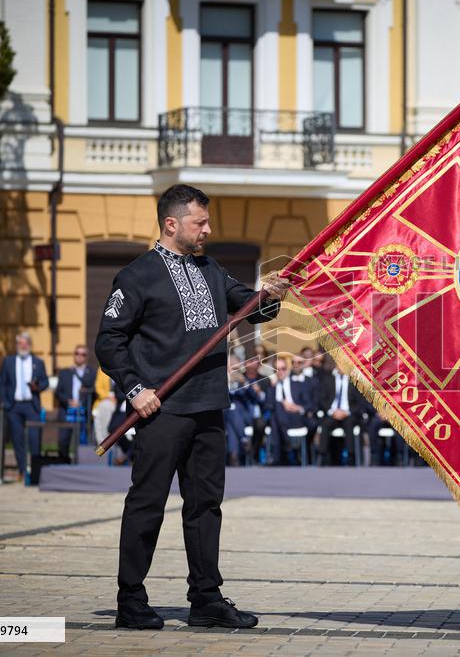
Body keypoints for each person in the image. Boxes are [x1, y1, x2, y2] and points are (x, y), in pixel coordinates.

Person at [95, 184, 290, 631]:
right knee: (147, 503)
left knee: (205, 506)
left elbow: (248, 307)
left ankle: (206, 598)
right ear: (171, 223)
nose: (207, 229)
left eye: (207, 222)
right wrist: (135, 389)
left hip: (208, 407)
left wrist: (271, 294)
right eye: (200, 222)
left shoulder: (210, 268)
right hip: (160, 410)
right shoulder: (136, 276)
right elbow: (109, 341)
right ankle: (131, 600)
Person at [0, 332, 49, 480]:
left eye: (26, 343)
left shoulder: (38, 362)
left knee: (34, 438)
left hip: (31, 405)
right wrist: (5, 403)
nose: (23, 346)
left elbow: (45, 382)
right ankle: (22, 470)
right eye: (20, 343)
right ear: (16, 345)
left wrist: (37, 387)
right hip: (14, 406)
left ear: (30, 345)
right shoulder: (8, 361)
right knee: (17, 439)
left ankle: (34, 472)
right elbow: (3, 384)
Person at [266, 354, 315, 465]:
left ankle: (277, 455)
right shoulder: (271, 388)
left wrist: (297, 407)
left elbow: (309, 404)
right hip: (279, 421)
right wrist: (280, 404)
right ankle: (288, 443)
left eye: (283, 369)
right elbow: (267, 406)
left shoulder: (297, 384)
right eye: (277, 369)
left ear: (287, 369)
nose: (280, 372)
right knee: (277, 409)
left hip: (295, 417)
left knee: (276, 416)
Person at [316, 364, 365, 466]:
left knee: (349, 423)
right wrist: (332, 411)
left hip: (348, 414)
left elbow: (360, 403)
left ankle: (351, 456)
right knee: (325, 424)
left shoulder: (355, 382)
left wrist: (346, 412)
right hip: (332, 413)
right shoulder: (328, 380)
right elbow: (321, 399)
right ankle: (322, 455)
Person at [54, 344, 97, 459]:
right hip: (67, 411)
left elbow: (94, 392)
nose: (79, 356)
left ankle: (79, 469)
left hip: (83, 413)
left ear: (86, 357)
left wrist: (81, 402)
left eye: (83, 354)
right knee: (63, 442)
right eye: (77, 353)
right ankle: (64, 466)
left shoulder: (92, 373)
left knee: (82, 443)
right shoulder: (65, 372)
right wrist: (69, 402)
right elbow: (58, 392)